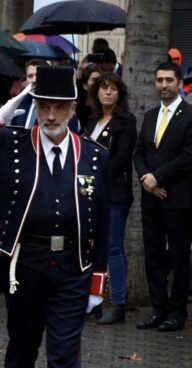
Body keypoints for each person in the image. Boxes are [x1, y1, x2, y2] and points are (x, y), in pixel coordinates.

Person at [0, 66, 111, 368]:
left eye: (59, 108)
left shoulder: (95, 156)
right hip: (24, 264)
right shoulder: (12, 143)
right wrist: (1, 115)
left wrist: (97, 279)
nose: (50, 116)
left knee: (64, 356)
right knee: (22, 349)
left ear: (73, 110)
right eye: (43, 106)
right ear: (34, 107)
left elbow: (101, 221)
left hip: (73, 268)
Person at [133, 62, 192, 332]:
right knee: (153, 256)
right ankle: (158, 309)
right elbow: (139, 153)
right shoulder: (150, 115)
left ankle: (177, 313)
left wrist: (159, 177)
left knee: (179, 258)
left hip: (178, 200)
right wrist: (147, 180)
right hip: (151, 198)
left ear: (179, 82)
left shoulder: (190, 115)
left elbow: (188, 156)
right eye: (159, 80)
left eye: (169, 79)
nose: (164, 84)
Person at [83, 72, 137, 324]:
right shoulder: (92, 121)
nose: (107, 92)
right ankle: (94, 301)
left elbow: (121, 159)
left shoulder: (126, 121)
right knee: (94, 249)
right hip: (89, 193)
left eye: (112, 89)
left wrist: (95, 180)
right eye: (103, 88)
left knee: (113, 247)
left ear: (119, 94)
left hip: (114, 193)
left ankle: (117, 305)